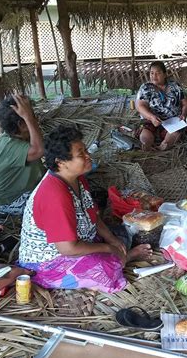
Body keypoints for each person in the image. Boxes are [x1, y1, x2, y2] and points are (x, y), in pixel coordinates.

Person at [19, 125, 154, 293]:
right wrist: (109, 248)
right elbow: (67, 249)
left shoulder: (76, 178)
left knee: (121, 234)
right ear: (61, 163)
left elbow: (92, 215)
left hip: (80, 239)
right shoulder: (54, 195)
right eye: (81, 154)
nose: (88, 156)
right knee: (104, 270)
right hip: (49, 261)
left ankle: (120, 256)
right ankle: (125, 258)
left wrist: (112, 239)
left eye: (85, 150)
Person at [0, 94, 46, 215]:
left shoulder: (23, 137)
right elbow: (38, 150)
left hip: (28, 190)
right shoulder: (7, 144)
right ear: (21, 124)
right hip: (11, 201)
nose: (36, 119)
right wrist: (28, 117)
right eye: (33, 115)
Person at [135, 62, 187, 151]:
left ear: (165, 74)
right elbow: (140, 106)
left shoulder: (175, 86)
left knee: (176, 132)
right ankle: (147, 144)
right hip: (151, 120)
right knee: (146, 131)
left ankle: (165, 144)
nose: (154, 76)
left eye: (158, 73)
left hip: (173, 121)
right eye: (152, 73)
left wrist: (184, 114)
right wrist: (151, 117)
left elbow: (186, 103)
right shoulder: (146, 88)